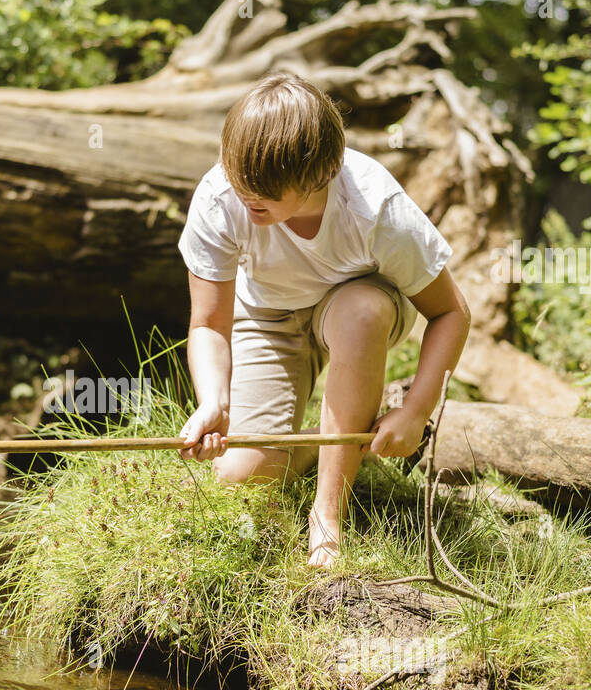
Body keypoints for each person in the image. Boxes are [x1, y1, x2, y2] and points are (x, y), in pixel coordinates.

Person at [176, 72, 470, 568]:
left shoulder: (376, 208)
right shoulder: (221, 197)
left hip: (358, 308)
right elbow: (208, 323)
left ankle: (327, 516)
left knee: (359, 311)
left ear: (323, 172)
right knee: (242, 476)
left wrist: (417, 410)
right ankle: (328, 439)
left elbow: (450, 312)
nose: (248, 201)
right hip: (268, 315)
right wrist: (214, 401)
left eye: (265, 195)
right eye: (239, 183)